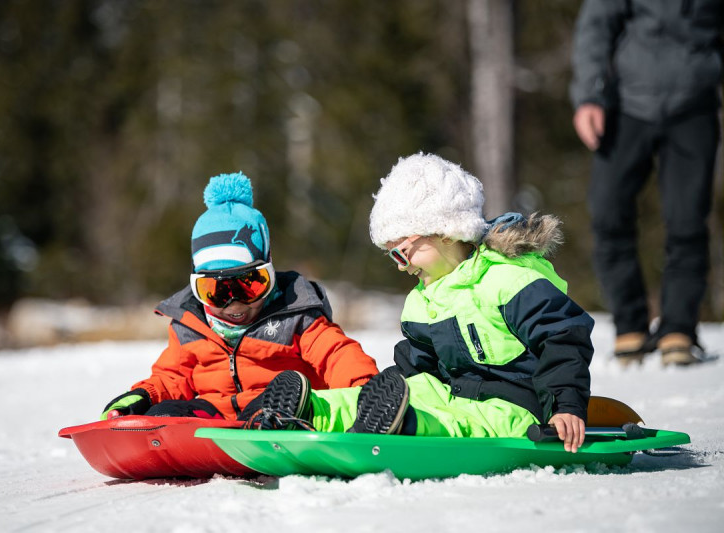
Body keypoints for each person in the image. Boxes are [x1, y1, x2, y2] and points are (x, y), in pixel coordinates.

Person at [249, 153, 594, 453]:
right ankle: (309, 411)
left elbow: (563, 338)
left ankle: (404, 426)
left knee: (461, 423)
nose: (401, 266)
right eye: (392, 257)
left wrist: (565, 405)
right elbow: (416, 373)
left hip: (516, 409)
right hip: (452, 397)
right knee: (408, 394)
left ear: (446, 232)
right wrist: (391, 391)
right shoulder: (422, 301)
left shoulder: (508, 280)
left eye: (402, 252)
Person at [100, 172, 379, 421]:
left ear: (269, 272)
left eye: (249, 285)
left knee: (271, 408)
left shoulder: (296, 315)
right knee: (163, 413)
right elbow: (172, 376)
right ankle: (169, 434)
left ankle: (273, 421)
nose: (233, 302)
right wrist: (145, 395)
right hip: (217, 416)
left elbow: (336, 355)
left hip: (278, 407)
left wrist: (367, 391)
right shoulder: (189, 325)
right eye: (215, 291)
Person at [570, 0, 722, 366]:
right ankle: (630, 327)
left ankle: (678, 331)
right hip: (626, 105)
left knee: (687, 220)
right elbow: (596, 25)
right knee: (608, 212)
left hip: (695, 103)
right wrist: (589, 95)